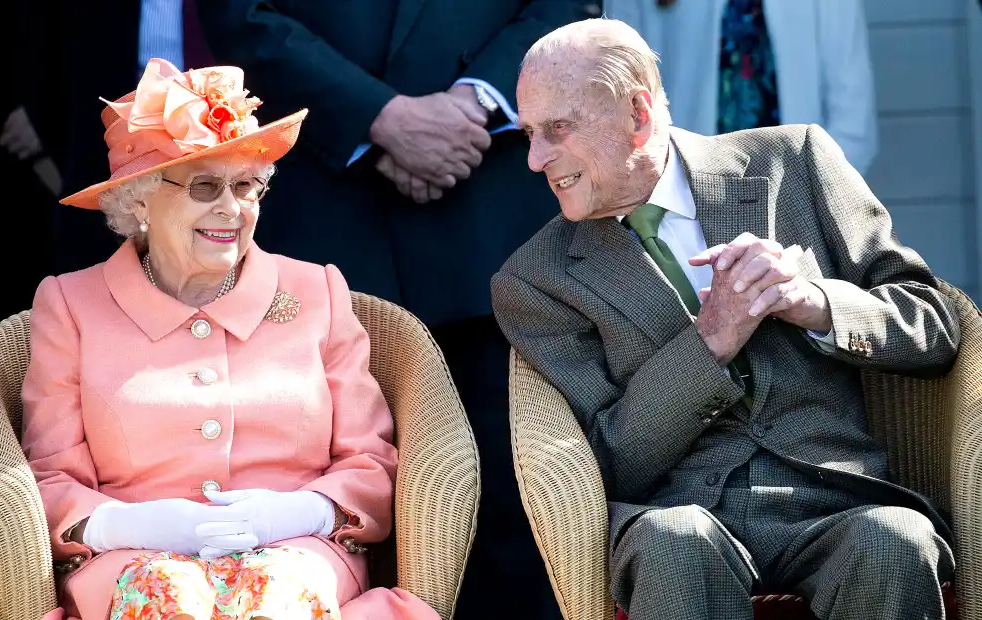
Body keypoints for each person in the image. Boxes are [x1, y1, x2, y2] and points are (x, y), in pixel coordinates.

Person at [492, 19, 959, 620]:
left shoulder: (797, 163)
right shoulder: (534, 279)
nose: (534, 160)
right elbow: (607, 459)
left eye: (556, 129)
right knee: (677, 545)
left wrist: (813, 302)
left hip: (838, 497)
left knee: (895, 540)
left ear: (637, 114)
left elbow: (935, 327)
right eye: (528, 133)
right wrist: (712, 337)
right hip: (681, 512)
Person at [196, 2, 598, 617]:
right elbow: (243, 14)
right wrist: (376, 118)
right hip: (326, 208)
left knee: (518, 494)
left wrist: (473, 105)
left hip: (491, 208)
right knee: (321, 490)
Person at [21, 58, 440, 620]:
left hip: (297, 556)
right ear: (139, 198)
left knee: (271, 596)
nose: (231, 208)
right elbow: (47, 480)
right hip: (129, 560)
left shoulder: (317, 291)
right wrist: (133, 524)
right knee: (169, 598)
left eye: (247, 186)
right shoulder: (71, 305)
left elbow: (370, 460)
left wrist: (300, 514)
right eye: (205, 185)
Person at [604, 0, 878, 175]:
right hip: (686, 196)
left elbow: (853, 121)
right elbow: (623, 88)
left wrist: (812, 202)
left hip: (797, 201)